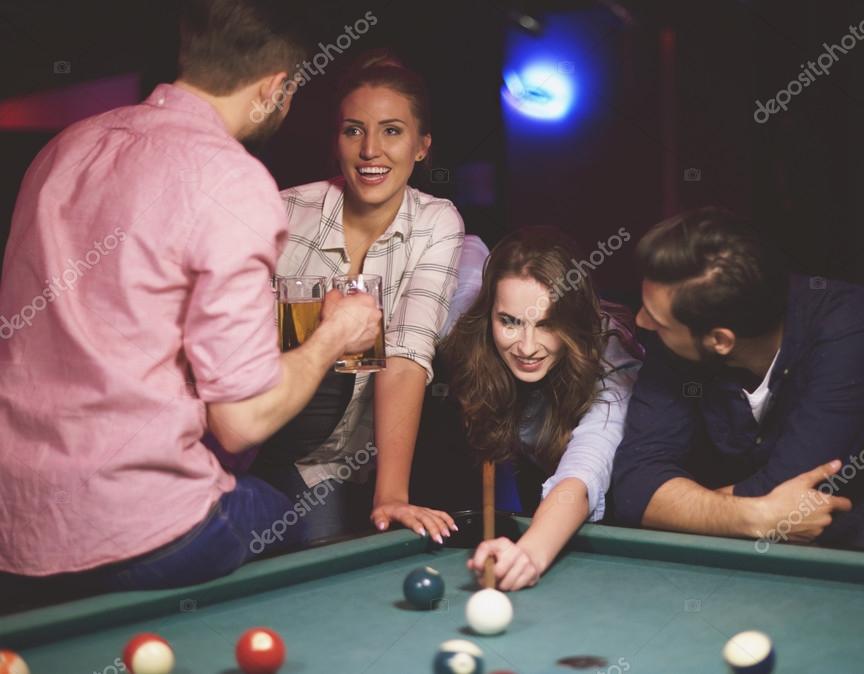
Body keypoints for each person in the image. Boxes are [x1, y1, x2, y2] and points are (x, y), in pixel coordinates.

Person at [0, 0, 381, 592]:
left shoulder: (64, 148)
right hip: (143, 527)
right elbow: (241, 421)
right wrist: (334, 335)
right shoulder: (231, 178)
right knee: (302, 510)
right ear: (276, 87)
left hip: (17, 527)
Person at [250, 51, 476, 544]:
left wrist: (391, 494)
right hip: (259, 445)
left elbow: (407, 352)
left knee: (336, 554)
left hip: (346, 459)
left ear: (422, 147)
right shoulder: (281, 212)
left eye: (392, 131)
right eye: (354, 130)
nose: (370, 149)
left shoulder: (437, 222)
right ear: (337, 141)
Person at [612, 207, 864, 552]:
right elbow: (633, 488)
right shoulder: (677, 329)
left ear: (720, 341)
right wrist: (751, 517)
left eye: (657, 320)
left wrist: (678, 506)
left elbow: (788, 487)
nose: (641, 322)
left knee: (850, 602)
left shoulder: (852, 330)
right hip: (739, 495)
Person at [422, 228, 642, 591]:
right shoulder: (466, 328)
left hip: (619, 509)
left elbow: (585, 468)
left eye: (547, 324)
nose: (526, 347)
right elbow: (466, 245)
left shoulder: (612, 367)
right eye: (509, 321)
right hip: (538, 477)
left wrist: (530, 553)